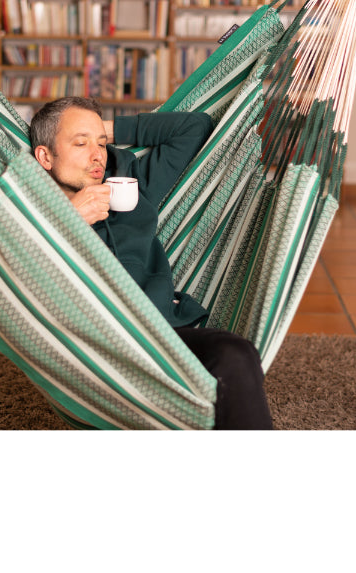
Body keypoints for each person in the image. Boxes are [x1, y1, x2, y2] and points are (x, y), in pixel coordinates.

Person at [30, 95, 273, 430]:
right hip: (99, 348)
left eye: (100, 143)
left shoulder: (131, 183)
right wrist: (69, 219)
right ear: (45, 156)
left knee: (237, 355)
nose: (96, 155)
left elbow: (194, 127)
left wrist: (105, 130)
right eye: (80, 143)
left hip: (161, 331)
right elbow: (23, 275)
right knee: (228, 364)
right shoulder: (32, 212)